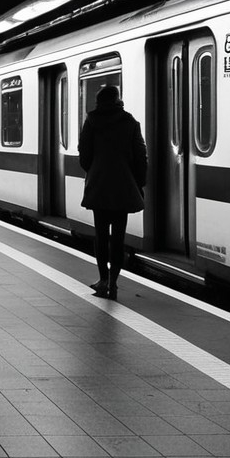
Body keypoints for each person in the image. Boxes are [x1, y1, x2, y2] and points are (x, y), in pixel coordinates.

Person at [78, 84, 147, 300]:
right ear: (118, 99)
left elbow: (84, 155)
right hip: (123, 187)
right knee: (118, 237)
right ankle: (114, 282)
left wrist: (96, 170)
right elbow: (140, 156)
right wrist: (137, 182)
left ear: (99, 101)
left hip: (99, 187)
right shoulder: (130, 122)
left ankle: (103, 280)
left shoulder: (91, 122)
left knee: (101, 235)